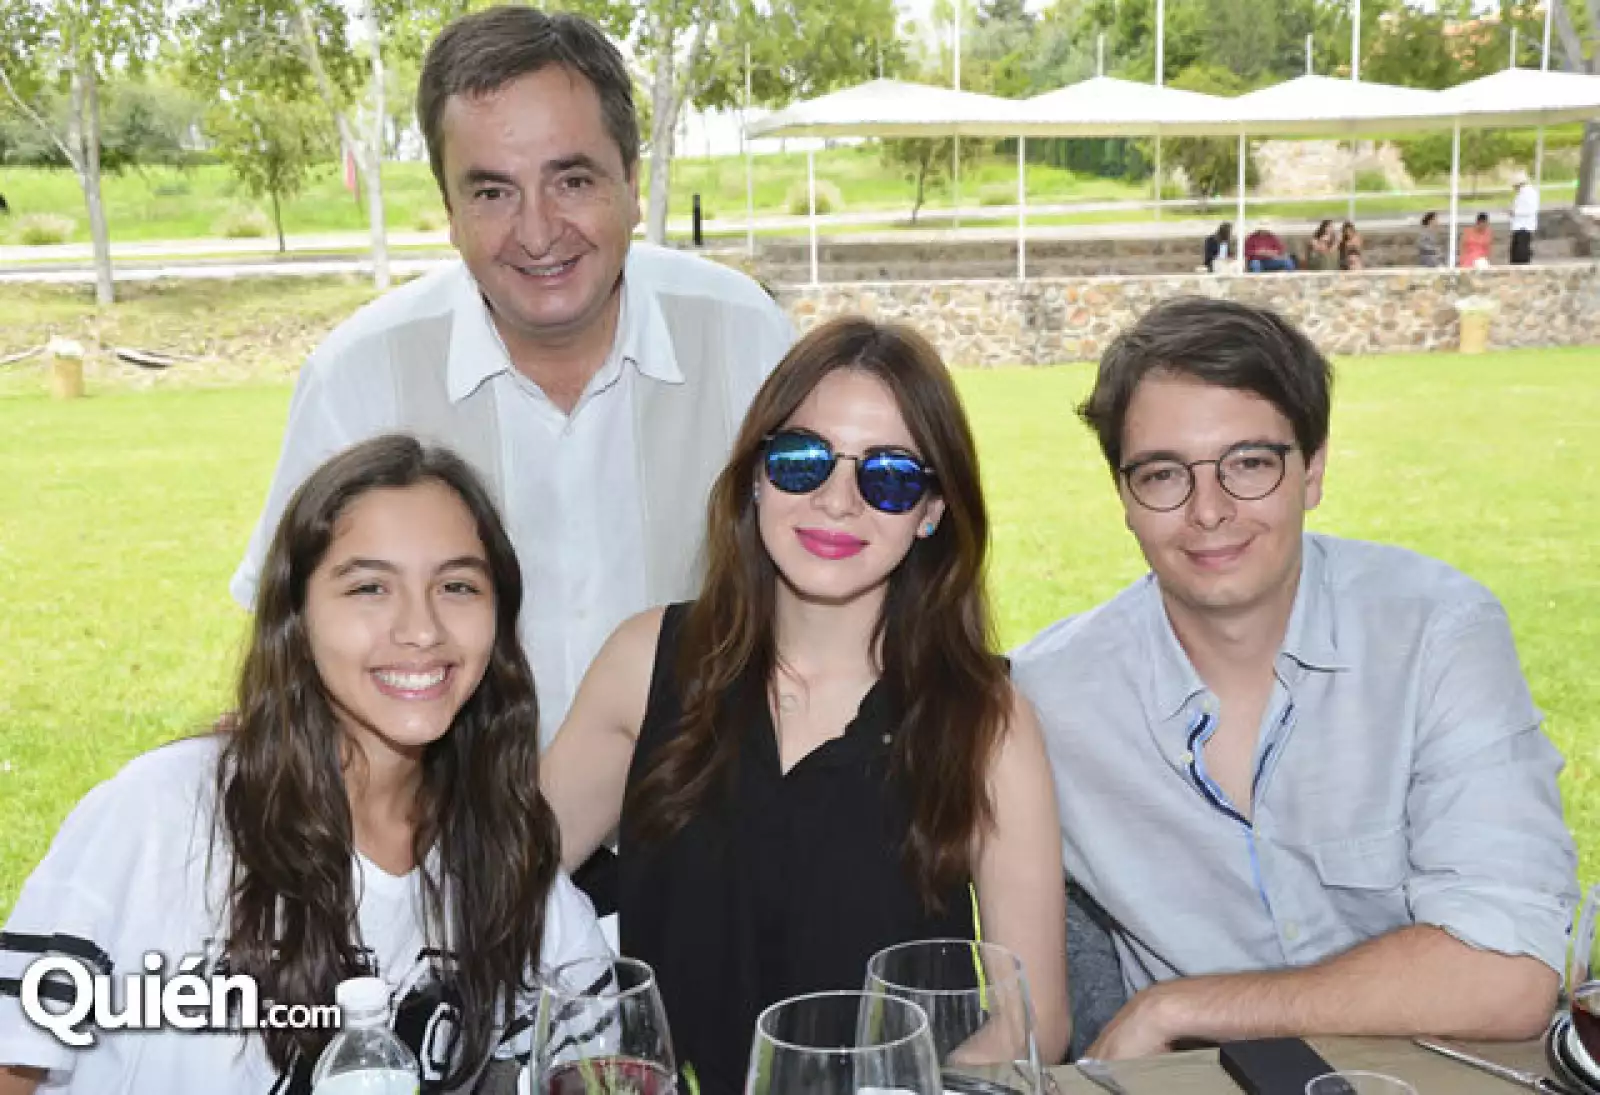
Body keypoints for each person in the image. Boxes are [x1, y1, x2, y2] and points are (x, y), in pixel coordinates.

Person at [1011, 297, 1577, 1060]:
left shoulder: (1435, 633)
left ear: (1312, 469)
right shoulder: (1043, 700)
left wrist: (1179, 1005)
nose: (1208, 510)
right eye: (1162, 473)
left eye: (1249, 463)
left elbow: (1510, 973)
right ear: (1123, 497)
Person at [231, 6, 794, 741]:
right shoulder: (359, 377)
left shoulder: (744, 338)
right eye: (492, 192)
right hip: (452, 838)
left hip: (703, 829)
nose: (536, 232)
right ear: (449, 212)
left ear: (630, 181)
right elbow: (289, 648)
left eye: (572, 181)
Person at [541, 317, 1070, 1093]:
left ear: (932, 510)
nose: (837, 500)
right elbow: (497, 892)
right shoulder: (645, 662)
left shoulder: (986, 724)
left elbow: (1034, 1022)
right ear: (755, 475)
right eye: (801, 460)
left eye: (888, 476)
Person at [0, 435, 608, 1094]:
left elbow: (605, 1060)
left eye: (458, 585)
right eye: (370, 586)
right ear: (298, 615)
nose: (422, 627)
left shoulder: (504, 855)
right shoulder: (163, 816)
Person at [1510, 173, 1539, 265]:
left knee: (1521, 252)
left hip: (1524, 226)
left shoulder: (1529, 193)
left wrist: (1515, 212)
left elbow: (1530, 209)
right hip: (1519, 226)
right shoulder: (1521, 194)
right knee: (1515, 251)